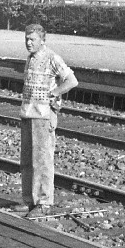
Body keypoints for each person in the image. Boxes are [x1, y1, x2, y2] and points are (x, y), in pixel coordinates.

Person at [18, 24, 78, 218]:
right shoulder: (30, 59)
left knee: (42, 161)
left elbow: (71, 80)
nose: (28, 42)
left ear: (42, 40)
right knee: (27, 160)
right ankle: (29, 200)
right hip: (28, 113)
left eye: (32, 39)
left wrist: (55, 93)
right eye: (27, 39)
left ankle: (44, 203)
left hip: (44, 116)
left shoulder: (52, 58)